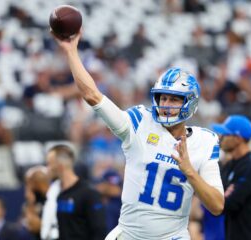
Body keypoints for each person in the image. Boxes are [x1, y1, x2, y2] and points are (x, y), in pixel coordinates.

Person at [51, 30, 224, 240]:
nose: (166, 105)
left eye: (174, 99)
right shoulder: (141, 122)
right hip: (129, 234)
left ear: (191, 102)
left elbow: (216, 206)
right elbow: (92, 96)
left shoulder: (204, 141)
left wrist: (189, 172)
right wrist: (71, 52)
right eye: (163, 98)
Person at [211, 115, 251, 240]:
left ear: (238, 138)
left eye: (225, 134)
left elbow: (226, 204)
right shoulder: (229, 165)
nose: (220, 138)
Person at [46, 144, 106, 240]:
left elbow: (99, 230)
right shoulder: (58, 194)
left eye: (49, 164)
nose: (47, 169)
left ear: (60, 167)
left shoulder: (89, 194)